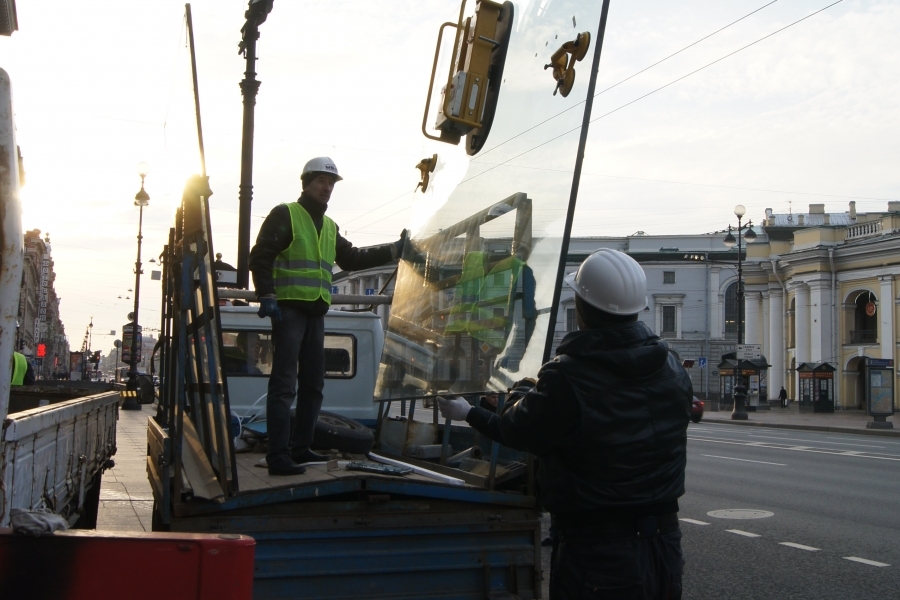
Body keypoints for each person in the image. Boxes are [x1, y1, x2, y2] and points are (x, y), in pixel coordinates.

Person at [439, 249, 692, 599]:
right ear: (638, 307)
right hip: (665, 545)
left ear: (583, 310)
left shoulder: (569, 376)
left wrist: (478, 408)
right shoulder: (672, 367)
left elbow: (518, 430)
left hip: (598, 551)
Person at [250, 157, 405, 476]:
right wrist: (266, 293)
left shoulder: (329, 226)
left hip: (314, 312)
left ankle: (300, 448)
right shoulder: (287, 214)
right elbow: (261, 256)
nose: (327, 188)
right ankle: (278, 454)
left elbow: (352, 258)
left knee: (313, 384)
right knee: (284, 384)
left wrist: (394, 249)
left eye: (331, 183)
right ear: (306, 182)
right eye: (322, 181)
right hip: (289, 309)